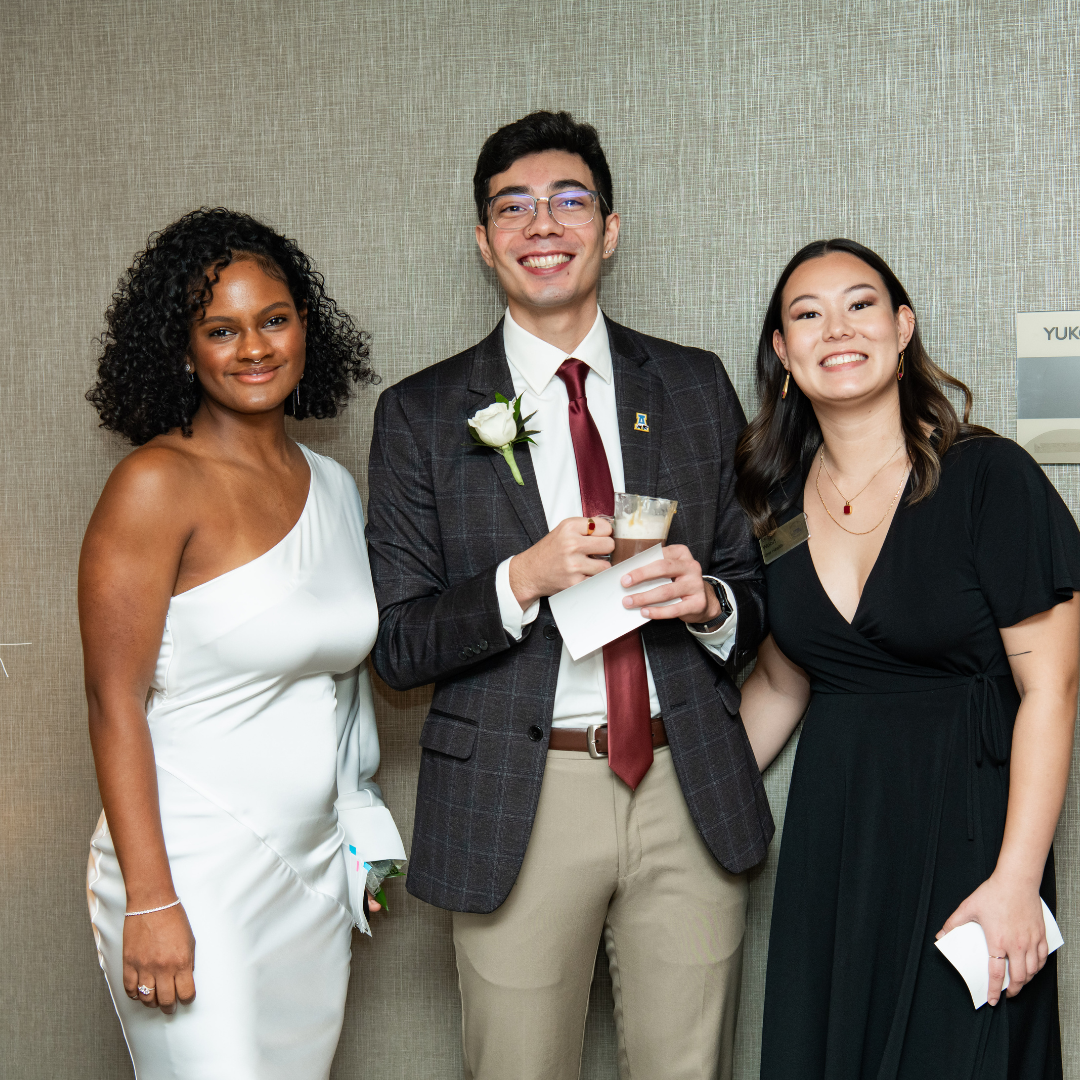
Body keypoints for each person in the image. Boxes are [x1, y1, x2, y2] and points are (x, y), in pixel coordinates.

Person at [365, 111, 770, 1080]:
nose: (542, 224)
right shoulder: (421, 413)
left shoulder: (694, 385)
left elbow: (753, 592)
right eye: (513, 207)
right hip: (517, 789)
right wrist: (522, 581)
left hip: (684, 783)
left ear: (610, 228)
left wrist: (711, 604)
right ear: (484, 241)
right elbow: (398, 646)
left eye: (569, 200)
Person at [735, 237, 1079, 1079]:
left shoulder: (990, 477)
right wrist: (685, 804)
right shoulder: (777, 506)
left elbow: (1053, 688)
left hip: (971, 832)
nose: (836, 329)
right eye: (807, 314)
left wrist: (1016, 881)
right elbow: (783, 679)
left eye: (860, 305)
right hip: (836, 843)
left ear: (902, 327)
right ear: (783, 352)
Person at [81, 208, 400, 1079]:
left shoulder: (334, 486)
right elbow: (112, 701)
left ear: (306, 328)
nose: (254, 348)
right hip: (191, 869)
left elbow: (338, 689)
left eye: (273, 320)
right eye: (221, 330)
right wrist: (150, 899)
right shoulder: (153, 484)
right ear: (184, 350)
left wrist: (359, 833)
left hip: (313, 872)